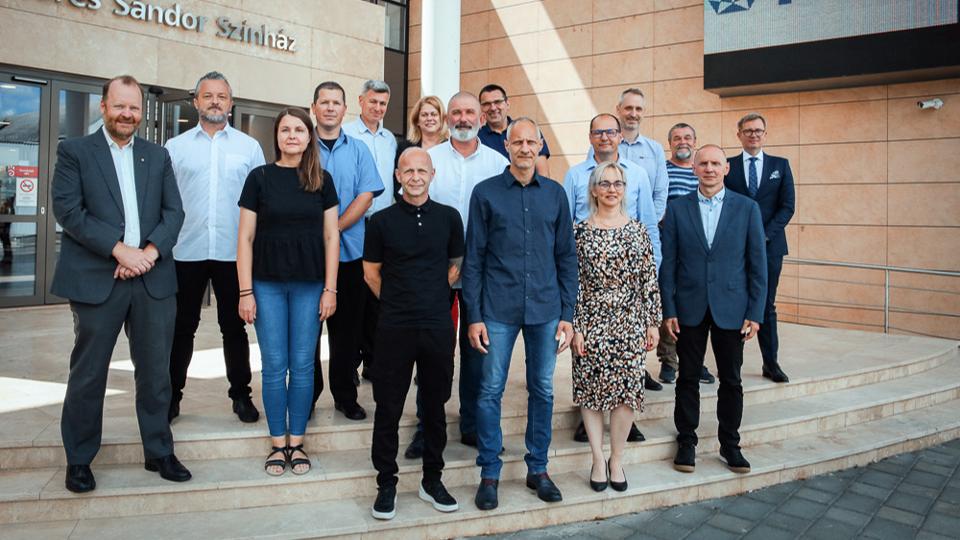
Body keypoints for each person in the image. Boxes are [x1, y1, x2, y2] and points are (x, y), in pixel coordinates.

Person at [52, 75, 189, 493]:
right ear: (103, 107)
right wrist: (120, 251)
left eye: (134, 108)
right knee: (89, 373)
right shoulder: (75, 151)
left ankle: (158, 451)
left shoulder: (157, 155)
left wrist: (147, 254)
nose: (127, 114)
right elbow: (68, 211)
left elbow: (174, 213)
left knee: (156, 372)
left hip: (152, 278)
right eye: (120, 106)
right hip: (98, 278)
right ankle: (79, 459)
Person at [463, 117, 577, 511]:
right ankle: (489, 472)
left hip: (546, 308)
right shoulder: (486, 193)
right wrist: (474, 315)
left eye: (532, 142)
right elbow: (474, 259)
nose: (525, 148)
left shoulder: (555, 194)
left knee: (542, 389)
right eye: (518, 142)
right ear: (507, 146)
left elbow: (566, 257)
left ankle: (538, 469)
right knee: (490, 390)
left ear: (540, 146)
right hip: (498, 307)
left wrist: (568, 313)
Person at [237, 107, 340, 476]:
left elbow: (331, 237)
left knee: (302, 366)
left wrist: (331, 289)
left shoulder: (322, 180)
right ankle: (277, 443)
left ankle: (297, 442)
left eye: (299, 129)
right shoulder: (259, 178)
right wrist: (245, 291)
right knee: (273, 365)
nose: (292, 135)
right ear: (277, 136)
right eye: (285, 130)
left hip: (310, 286)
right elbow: (245, 238)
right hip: (266, 285)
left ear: (309, 136)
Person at [365, 147, 463, 520]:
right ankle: (386, 484)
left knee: (435, 406)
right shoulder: (381, 221)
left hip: (437, 325)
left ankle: (432, 480)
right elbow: (371, 273)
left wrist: (431, 296)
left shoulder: (449, 218)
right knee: (388, 406)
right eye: (409, 171)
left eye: (422, 170)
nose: (416, 177)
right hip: (395, 326)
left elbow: (455, 265)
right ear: (398, 176)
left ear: (432, 174)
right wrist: (398, 300)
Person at [660, 144, 767, 475]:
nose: (709, 168)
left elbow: (757, 265)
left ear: (726, 169)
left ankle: (730, 444)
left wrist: (755, 313)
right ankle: (686, 442)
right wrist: (668, 308)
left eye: (715, 163)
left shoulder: (747, 208)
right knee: (687, 378)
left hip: (732, 308)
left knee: (731, 380)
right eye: (703, 163)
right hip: (689, 307)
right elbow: (668, 264)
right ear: (694, 168)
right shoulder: (677, 209)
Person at [165, 71, 266, 424]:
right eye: (208, 96)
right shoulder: (175, 148)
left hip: (232, 254)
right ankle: (171, 397)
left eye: (221, 96)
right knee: (181, 328)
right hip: (185, 251)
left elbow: (261, 203)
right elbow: (164, 200)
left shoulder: (249, 148)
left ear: (231, 103)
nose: (215, 102)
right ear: (195, 101)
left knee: (234, 328)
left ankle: (241, 396)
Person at [565, 113, 662, 444]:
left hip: (629, 310)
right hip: (591, 307)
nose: (611, 189)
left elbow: (649, 233)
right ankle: (594, 444)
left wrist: (651, 318)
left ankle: (620, 441)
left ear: (620, 135)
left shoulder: (637, 180)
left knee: (627, 381)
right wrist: (574, 323)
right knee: (591, 378)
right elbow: (568, 254)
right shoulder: (575, 179)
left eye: (617, 184)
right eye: (598, 132)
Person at [428, 92, 509, 449]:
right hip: (435, 269)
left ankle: (472, 424)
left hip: (482, 271)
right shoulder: (429, 159)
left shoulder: (497, 163)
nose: (463, 118)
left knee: (477, 351)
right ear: (448, 118)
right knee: (434, 350)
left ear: (481, 118)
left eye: (469, 112)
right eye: (457, 112)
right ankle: (427, 425)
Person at [309, 81, 384, 421]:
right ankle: (308, 396)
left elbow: (366, 195)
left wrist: (334, 228)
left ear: (344, 109)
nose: (329, 108)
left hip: (351, 255)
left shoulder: (359, 150)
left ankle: (345, 396)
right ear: (314, 107)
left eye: (335, 102)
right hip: (308, 257)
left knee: (347, 334)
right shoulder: (301, 146)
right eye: (323, 102)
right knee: (308, 333)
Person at [394, 95, 450, 460]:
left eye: (435, 113)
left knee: (443, 354)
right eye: (424, 113)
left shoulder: (450, 151)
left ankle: (445, 421)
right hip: (412, 268)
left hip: (447, 262)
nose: (429, 118)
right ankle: (420, 427)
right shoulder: (406, 151)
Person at [724, 112, 796, 384]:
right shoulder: (728, 166)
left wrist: (763, 235)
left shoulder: (780, 165)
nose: (753, 134)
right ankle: (733, 365)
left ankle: (771, 363)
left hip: (770, 247)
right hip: (736, 249)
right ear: (739, 135)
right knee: (736, 304)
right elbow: (724, 204)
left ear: (765, 135)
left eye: (758, 130)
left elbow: (787, 206)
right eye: (748, 130)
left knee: (766, 305)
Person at [343, 80, 397, 383]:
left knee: (378, 299)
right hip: (353, 225)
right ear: (361, 101)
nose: (378, 108)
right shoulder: (346, 134)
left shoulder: (390, 140)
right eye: (373, 101)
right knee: (354, 299)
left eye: (383, 103)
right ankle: (349, 364)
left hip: (383, 227)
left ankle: (373, 363)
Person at [657, 123, 715, 386]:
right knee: (668, 301)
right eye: (677, 138)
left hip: (699, 250)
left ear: (695, 141)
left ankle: (694, 360)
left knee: (696, 306)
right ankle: (669, 360)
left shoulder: (703, 171)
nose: (683, 142)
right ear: (670, 143)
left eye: (688, 137)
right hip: (670, 246)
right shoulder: (663, 171)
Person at [477, 84, 550, 176]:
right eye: (486, 104)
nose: (493, 108)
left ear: (507, 104)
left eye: (497, 102)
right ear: (480, 108)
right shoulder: (476, 138)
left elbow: (543, 174)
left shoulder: (529, 130)